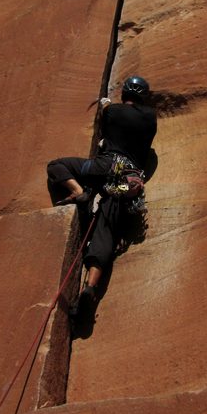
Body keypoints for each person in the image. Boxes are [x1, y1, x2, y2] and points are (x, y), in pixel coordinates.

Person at [47, 76, 157, 308]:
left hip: (105, 166)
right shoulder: (150, 119)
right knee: (105, 232)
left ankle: (79, 193)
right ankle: (91, 286)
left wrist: (105, 102)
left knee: (57, 165)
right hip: (127, 182)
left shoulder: (114, 111)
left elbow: (108, 112)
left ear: (125, 94)